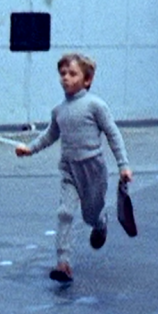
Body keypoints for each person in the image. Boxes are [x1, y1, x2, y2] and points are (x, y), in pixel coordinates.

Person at [15, 53, 133, 283]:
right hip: (69, 169)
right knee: (65, 213)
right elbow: (50, 135)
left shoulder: (95, 105)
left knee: (90, 214)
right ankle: (63, 263)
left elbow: (113, 134)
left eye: (72, 74)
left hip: (93, 169)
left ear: (87, 80)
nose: (66, 78)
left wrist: (124, 165)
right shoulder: (58, 111)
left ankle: (100, 222)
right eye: (62, 74)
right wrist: (30, 149)